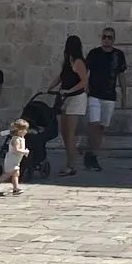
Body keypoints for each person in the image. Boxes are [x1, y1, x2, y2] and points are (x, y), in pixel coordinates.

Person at [84, 27, 127, 171]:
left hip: (109, 95)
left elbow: (121, 75)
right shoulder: (94, 53)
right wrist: (84, 86)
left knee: (102, 127)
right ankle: (91, 153)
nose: (106, 39)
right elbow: (85, 71)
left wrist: (125, 94)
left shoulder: (118, 55)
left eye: (109, 37)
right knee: (94, 124)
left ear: (114, 39)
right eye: (104, 37)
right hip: (94, 94)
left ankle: (92, 154)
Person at [48, 35, 88, 177]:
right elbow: (61, 76)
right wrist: (50, 87)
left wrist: (69, 91)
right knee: (65, 133)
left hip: (76, 99)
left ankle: (72, 165)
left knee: (70, 133)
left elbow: (84, 82)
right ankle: (69, 162)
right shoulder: (67, 61)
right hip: (65, 99)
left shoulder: (78, 62)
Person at [0, 117, 29, 197]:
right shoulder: (16, 139)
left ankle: (15, 188)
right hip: (11, 160)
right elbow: (16, 150)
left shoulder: (21, 138)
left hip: (16, 160)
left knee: (16, 174)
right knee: (8, 174)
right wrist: (25, 151)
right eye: (25, 130)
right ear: (19, 131)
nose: (26, 131)